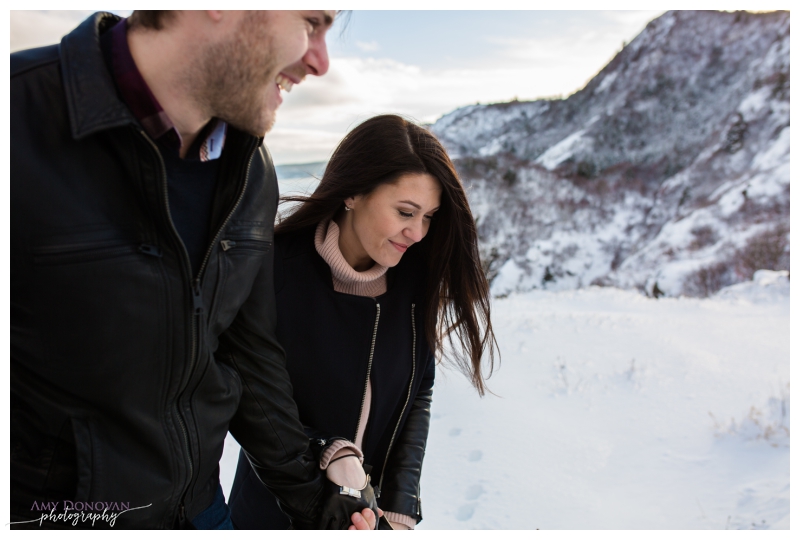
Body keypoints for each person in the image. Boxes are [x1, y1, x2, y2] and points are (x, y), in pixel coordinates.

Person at [10, 10, 377, 529]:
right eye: (311, 22)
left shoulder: (251, 167)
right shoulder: (17, 119)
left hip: (201, 511)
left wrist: (320, 502)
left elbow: (247, 355)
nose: (320, 61)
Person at [228, 114, 499, 529]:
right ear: (353, 192)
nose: (418, 232)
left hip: (368, 519)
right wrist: (330, 452)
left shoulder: (413, 282)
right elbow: (254, 399)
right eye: (406, 212)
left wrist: (399, 507)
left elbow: (417, 390)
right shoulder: (273, 269)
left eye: (429, 216)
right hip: (275, 512)